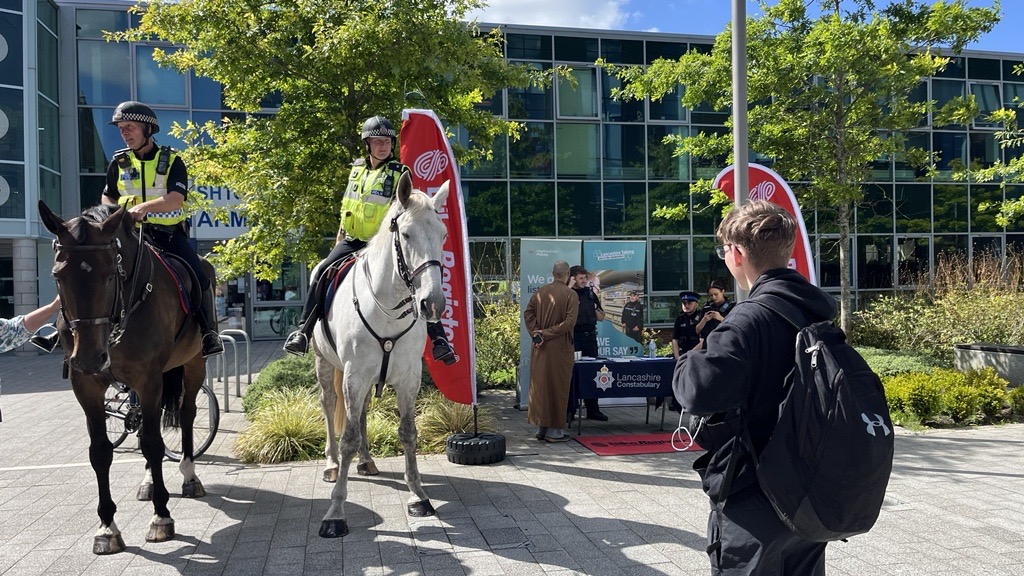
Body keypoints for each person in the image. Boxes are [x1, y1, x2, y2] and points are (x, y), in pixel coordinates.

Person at [673, 201, 837, 575]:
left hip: (755, 493)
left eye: (724, 250)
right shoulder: (816, 311)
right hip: (809, 491)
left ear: (738, 253)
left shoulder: (747, 319)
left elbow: (696, 392)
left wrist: (686, 360)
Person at [283, 116, 456, 364]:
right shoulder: (356, 170)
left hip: (382, 244)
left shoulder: (400, 174)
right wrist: (340, 236)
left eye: (386, 141)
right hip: (353, 240)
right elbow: (348, 206)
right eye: (377, 141)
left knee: (415, 283)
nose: (383, 146)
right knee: (322, 270)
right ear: (368, 144)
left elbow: (409, 210)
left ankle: (439, 339)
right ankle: (303, 331)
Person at [96, 101, 223, 358]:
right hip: (130, 238)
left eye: (129, 127)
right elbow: (107, 198)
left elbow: (176, 198)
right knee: (92, 272)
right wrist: (112, 213)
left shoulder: (174, 160)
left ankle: (209, 333)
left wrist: (143, 208)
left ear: (148, 129)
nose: (125, 133)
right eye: (121, 128)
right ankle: (69, 331)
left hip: (167, 236)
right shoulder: (118, 162)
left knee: (200, 274)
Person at [524, 260, 579, 442]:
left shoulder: (541, 291)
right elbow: (570, 323)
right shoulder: (571, 295)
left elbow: (528, 314)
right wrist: (546, 333)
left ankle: (542, 427)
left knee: (541, 386)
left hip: (540, 348)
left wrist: (536, 333)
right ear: (568, 273)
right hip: (560, 347)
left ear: (553, 272)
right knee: (558, 386)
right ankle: (555, 431)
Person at [568, 265, 609, 421]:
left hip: (590, 338)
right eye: (580, 278)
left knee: (593, 373)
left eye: (585, 278)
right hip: (574, 337)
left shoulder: (590, 294)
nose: (584, 281)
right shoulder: (568, 294)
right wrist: (569, 287)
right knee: (572, 374)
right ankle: (570, 410)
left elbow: (601, 317)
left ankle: (593, 410)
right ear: (572, 278)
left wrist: (595, 309)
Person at [695, 278, 732, 348]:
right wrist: (704, 320)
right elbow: (697, 330)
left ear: (722, 291)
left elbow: (735, 327)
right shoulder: (707, 307)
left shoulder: (731, 307)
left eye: (716, 294)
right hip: (707, 344)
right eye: (711, 295)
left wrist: (721, 318)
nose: (714, 297)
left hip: (724, 343)